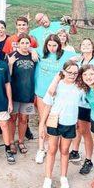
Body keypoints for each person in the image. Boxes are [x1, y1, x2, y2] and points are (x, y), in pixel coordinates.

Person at [39, 60, 83, 188]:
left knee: (64, 151)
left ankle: (63, 177)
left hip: (69, 123)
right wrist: (42, 124)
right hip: (55, 121)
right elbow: (47, 104)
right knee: (52, 150)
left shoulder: (79, 87)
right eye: (69, 72)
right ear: (63, 72)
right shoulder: (57, 85)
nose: (72, 75)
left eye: (75, 73)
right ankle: (48, 178)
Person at [34, 34, 75, 164]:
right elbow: (28, 47)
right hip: (42, 93)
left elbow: (80, 56)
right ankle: (41, 149)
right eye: (49, 45)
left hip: (57, 95)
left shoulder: (65, 55)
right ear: (46, 45)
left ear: (59, 45)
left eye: (54, 45)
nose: (52, 48)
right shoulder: (41, 52)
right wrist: (32, 52)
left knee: (53, 122)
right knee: (43, 120)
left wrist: (76, 58)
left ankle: (51, 147)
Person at [69, 38, 94, 174]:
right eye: (83, 44)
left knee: (85, 131)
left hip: (87, 102)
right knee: (77, 127)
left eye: (89, 44)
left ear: (93, 47)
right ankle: (75, 151)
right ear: (80, 47)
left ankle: (88, 160)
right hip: (77, 100)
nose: (86, 46)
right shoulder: (79, 61)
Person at [7, 33, 37, 154]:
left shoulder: (33, 57)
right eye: (22, 42)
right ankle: (11, 141)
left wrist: (34, 52)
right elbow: (7, 76)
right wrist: (10, 64)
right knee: (12, 118)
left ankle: (20, 141)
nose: (25, 45)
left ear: (30, 44)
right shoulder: (11, 56)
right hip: (14, 93)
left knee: (24, 119)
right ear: (18, 43)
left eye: (27, 43)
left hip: (28, 93)